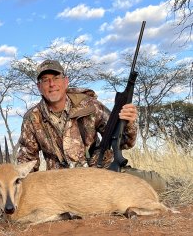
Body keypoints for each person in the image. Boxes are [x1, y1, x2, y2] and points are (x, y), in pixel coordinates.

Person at [16, 59, 166, 193]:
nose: (52, 84)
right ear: (39, 86)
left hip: (102, 172)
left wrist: (129, 123)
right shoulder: (32, 118)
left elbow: (124, 142)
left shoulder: (89, 105)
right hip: (62, 184)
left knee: (157, 184)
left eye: (56, 78)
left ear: (65, 81)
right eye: (45, 80)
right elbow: (27, 163)